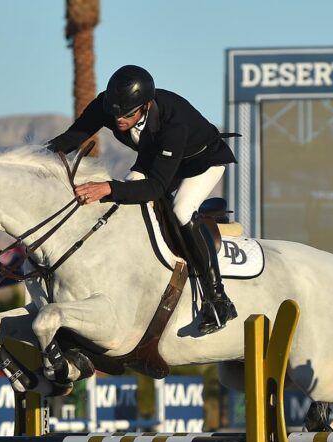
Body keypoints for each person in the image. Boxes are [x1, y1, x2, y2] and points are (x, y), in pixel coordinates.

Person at [46, 65, 237, 334]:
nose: (119, 120)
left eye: (127, 115)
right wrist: (35, 158)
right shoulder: (108, 104)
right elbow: (75, 136)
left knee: (180, 210)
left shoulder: (174, 122)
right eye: (114, 114)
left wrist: (108, 188)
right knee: (123, 204)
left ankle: (218, 299)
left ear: (146, 106)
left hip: (201, 162)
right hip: (156, 158)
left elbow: (157, 186)